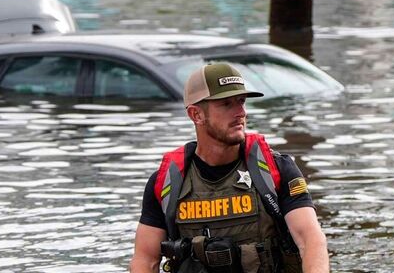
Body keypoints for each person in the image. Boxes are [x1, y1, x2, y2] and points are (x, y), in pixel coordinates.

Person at [130, 64, 329, 273]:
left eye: (241, 102)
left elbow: (311, 241)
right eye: (226, 104)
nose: (241, 113)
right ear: (196, 115)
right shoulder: (167, 182)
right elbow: (145, 260)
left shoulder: (276, 170)